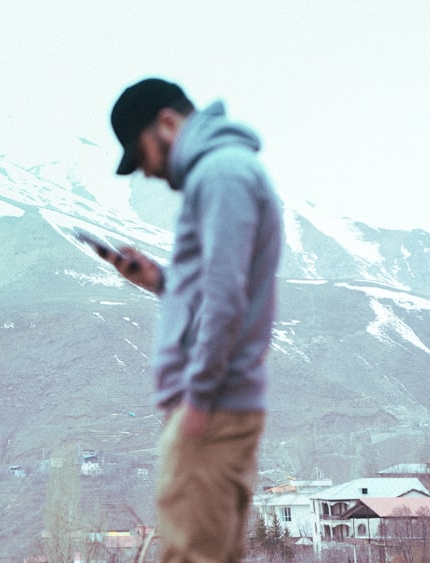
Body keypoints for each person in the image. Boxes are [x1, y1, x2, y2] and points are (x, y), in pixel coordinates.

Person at [105, 78, 283, 562]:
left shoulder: (219, 174)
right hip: (222, 403)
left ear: (166, 123)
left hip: (211, 406)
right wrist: (162, 281)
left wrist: (198, 402)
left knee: (191, 555)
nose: (145, 170)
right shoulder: (227, 172)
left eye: (141, 153)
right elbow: (218, 289)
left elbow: (226, 298)